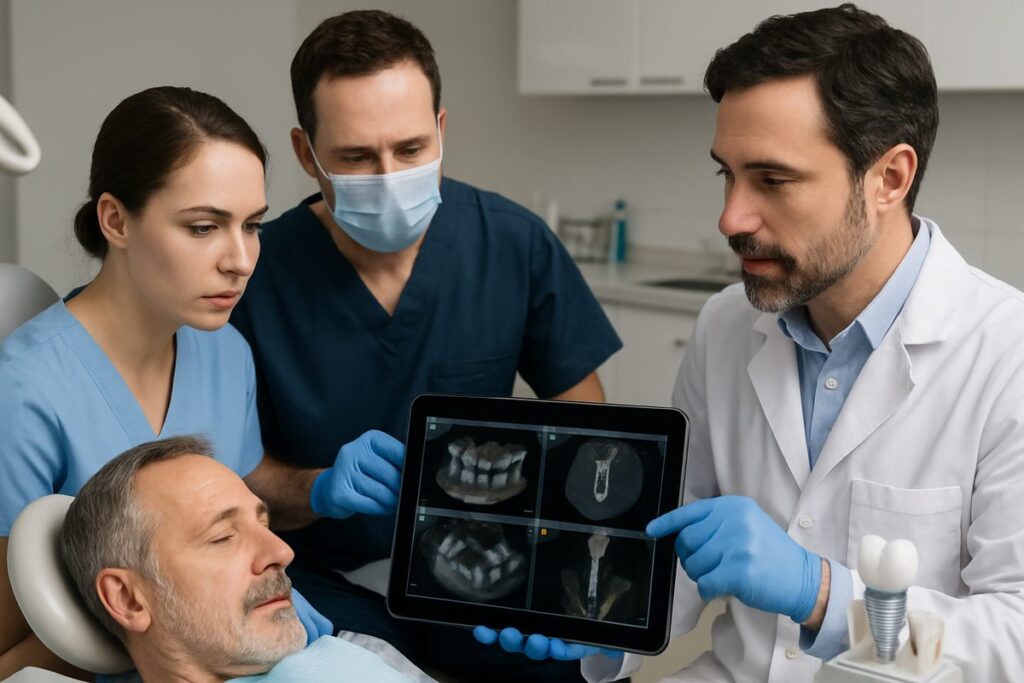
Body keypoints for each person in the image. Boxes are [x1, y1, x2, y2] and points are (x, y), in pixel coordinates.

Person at [478, 5, 1024, 682]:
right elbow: (678, 549)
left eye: (773, 180)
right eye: (726, 175)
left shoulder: (1006, 355)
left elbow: (1013, 640)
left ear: (889, 178)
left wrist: (821, 593)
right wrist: (594, 624)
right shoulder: (724, 325)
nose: (730, 216)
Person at [229, 10, 621, 682]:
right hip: (322, 579)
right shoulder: (251, 275)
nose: (388, 176)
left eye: (411, 150)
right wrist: (317, 489)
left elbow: (589, 427)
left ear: (441, 129)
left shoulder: (510, 243)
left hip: (484, 577)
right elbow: (232, 475)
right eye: (356, 157)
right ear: (306, 152)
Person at [0, 86, 332, 680]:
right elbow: (11, 643)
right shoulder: (24, 392)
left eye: (252, 225)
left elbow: (242, 506)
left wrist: (318, 492)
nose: (241, 259)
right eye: (204, 227)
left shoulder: (226, 352)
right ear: (115, 220)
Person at [60, 435, 428, 683]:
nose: (282, 553)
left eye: (264, 525)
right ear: (128, 598)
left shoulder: (346, 653)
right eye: (222, 538)